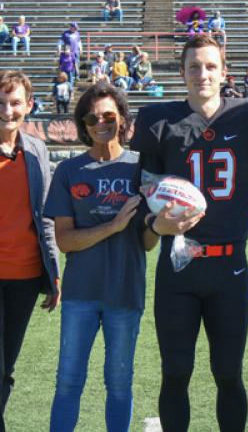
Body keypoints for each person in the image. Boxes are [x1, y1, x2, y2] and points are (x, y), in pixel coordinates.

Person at [129, 34, 248, 432]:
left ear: (224, 71)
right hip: (178, 266)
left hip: (229, 267)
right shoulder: (159, 120)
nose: (203, 74)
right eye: (194, 66)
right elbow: (142, 189)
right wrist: (155, 224)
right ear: (182, 72)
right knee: (176, 371)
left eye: (211, 66)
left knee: (228, 373)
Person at [46, 83, 156, 432]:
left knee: (120, 384)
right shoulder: (69, 171)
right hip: (80, 294)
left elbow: (147, 243)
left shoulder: (142, 167)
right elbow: (64, 241)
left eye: (109, 115)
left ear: (122, 118)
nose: (101, 123)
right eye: (92, 117)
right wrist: (114, 225)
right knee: (68, 382)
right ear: (84, 124)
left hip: (125, 293)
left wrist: (162, 224)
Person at [0, 70, 60, 432]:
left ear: (29, 106)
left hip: (24, 274)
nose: (8, 110)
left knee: (6, 367)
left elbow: (46, 217)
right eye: (2, 103)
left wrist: (54, 273)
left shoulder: (37, 150)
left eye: (15, 103)